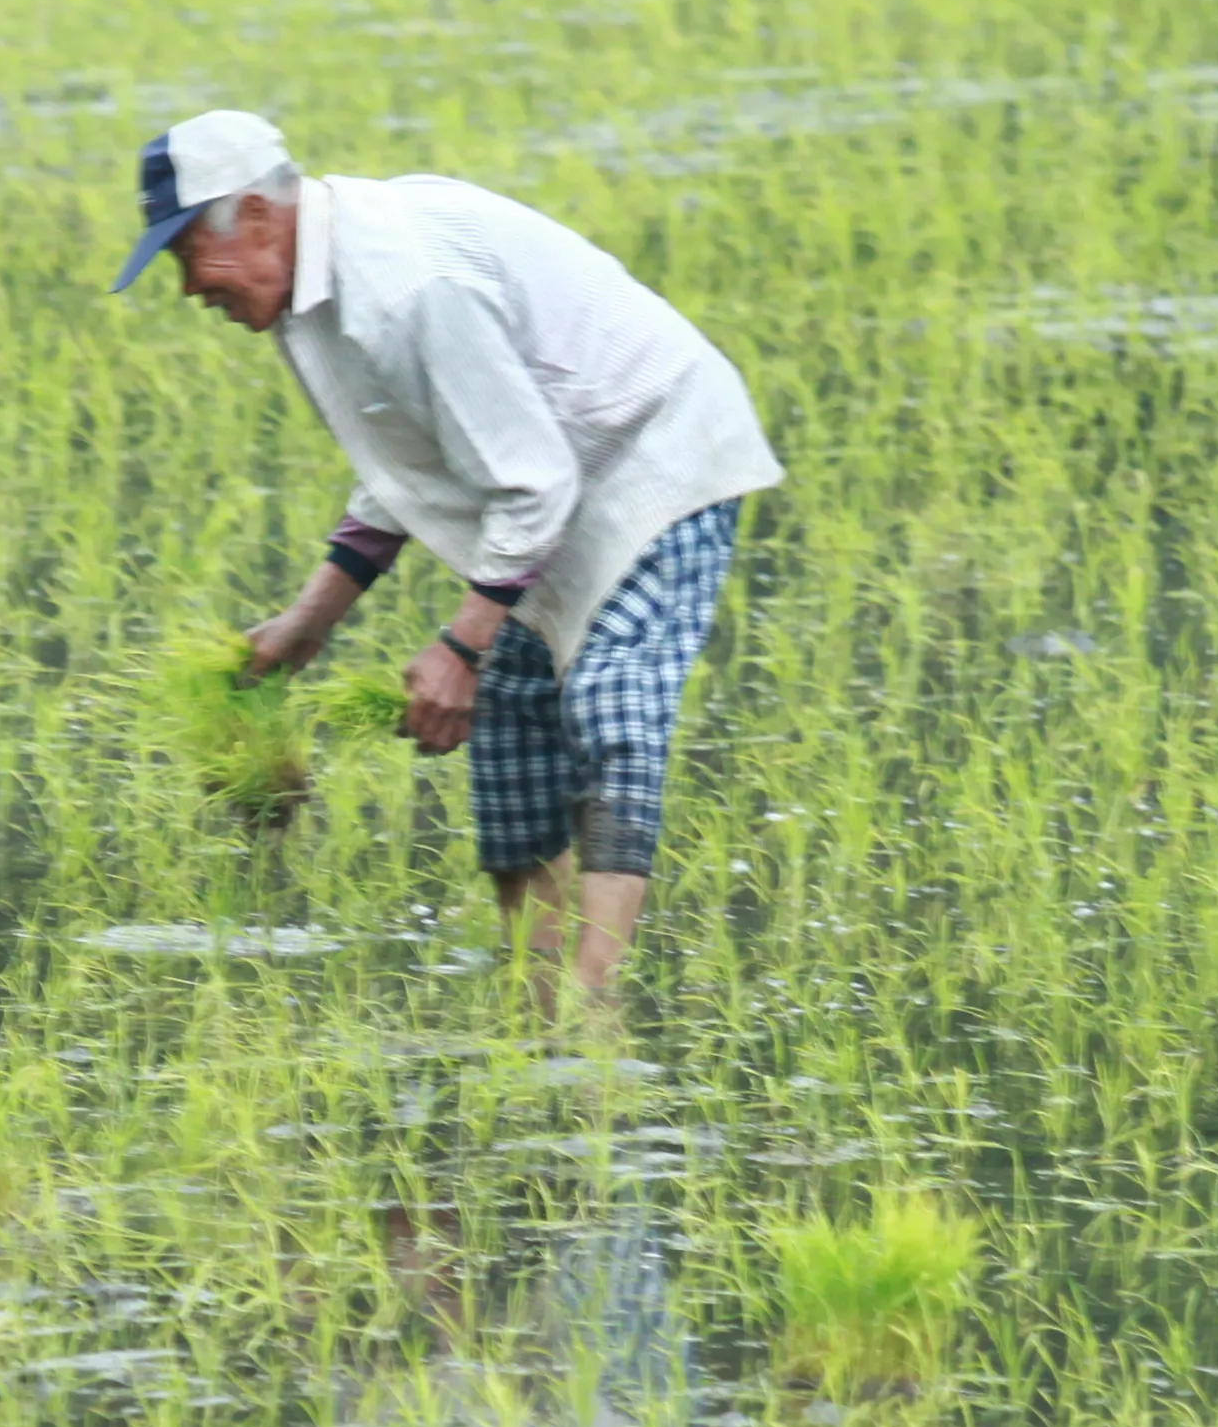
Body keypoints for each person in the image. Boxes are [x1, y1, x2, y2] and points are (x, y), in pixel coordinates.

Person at [115, 108, 778, 1007]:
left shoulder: (403, 284)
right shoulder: (307, 300)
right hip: (551, 482)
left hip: (655, 454)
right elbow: (407, 467)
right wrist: (303, 629)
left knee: (607, 703)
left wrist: (459, 649)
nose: (191, 287)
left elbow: (533, 484)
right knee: (510, 730)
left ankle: (591, 1010)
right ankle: (538, 1002)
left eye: (188, 254)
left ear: (257, 216)